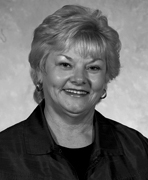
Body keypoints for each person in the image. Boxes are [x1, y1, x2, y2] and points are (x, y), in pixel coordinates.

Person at [0, 4, 148, 180]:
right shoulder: (4, 154)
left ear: (106, 78)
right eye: (65, 64)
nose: (79, 79)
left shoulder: (138, 150)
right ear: (40, 72)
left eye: (93, 67)